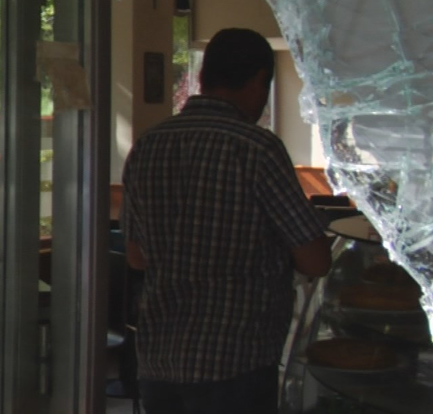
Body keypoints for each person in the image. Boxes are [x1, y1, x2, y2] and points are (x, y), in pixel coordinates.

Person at [121, 27, 332, 414]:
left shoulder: (148, 145)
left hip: (159, 359)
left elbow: (136, 256)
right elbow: (315, 260)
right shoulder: (258, 149)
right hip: (237, 362)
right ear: (257, 82)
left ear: (202, 79)